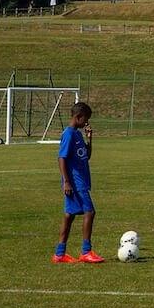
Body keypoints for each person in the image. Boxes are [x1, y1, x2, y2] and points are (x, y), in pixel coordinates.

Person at [53, 101, 101, 263]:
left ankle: (59, 254)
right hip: (75, 182)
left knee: (69, 216)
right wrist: (66, 181)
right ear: (78, 117)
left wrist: (90, 139)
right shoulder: (68, 134)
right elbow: (62, 158)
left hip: (80, 181)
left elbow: (86, 156)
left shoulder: (78, 134)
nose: (86, 123)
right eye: (85, 119)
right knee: (90, 212)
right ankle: (86, 252)